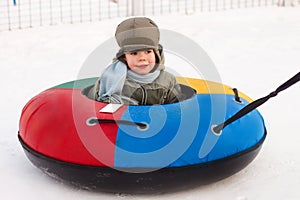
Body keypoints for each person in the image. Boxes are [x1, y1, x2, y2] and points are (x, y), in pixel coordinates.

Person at [92, 17, 183, 105]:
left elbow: (178, 105)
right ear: (124, 57)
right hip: (123, 120)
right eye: (134, 53)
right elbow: (95, 103)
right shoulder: (111, 78)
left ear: (156, 54)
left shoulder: (167, 80)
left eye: (148, 51)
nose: (142, 58)